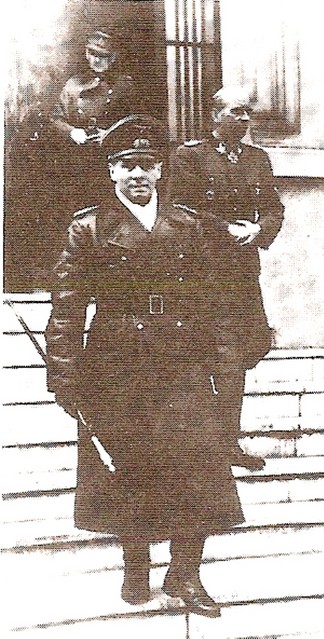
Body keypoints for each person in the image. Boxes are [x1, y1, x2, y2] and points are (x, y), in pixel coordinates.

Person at [44, 115, 244, 617]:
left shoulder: (187, 225)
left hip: (181, 362)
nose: (138, 174)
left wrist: (225, 361)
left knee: (197, 467)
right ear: (112, 171)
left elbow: (214, 298)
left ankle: (186, 574)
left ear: (159, 170)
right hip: (117, 365)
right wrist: (64, 374)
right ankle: (136, 566)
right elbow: (67, 307)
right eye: (127, 164)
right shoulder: (89, 228)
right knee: (131, 469)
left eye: (147, 164)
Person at [167, 86, 285, 471]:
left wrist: (259, 230)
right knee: (218, 356)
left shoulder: (257, 159)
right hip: (202, 273)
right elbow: (180, 209)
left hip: (243, 274)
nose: (245, 119)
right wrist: (226, 229)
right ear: (215, 115)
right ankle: (217, 444)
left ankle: (223, 441)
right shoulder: (190, 157)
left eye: (247, 112)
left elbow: (273, 207)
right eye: (236, 111)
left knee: (249, 347)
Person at [50, 29, 138, 212]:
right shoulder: (73, 84)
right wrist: (72, 131)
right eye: (92, 54)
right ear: (86, 54)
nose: (97, 60)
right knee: (78, 206)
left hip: (110, 157)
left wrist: (110, 134)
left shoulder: (124, 85)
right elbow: (56, 118)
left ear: (113, 58)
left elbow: (135, 122)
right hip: (77, 158)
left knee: (109, 207)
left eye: (103, 56)